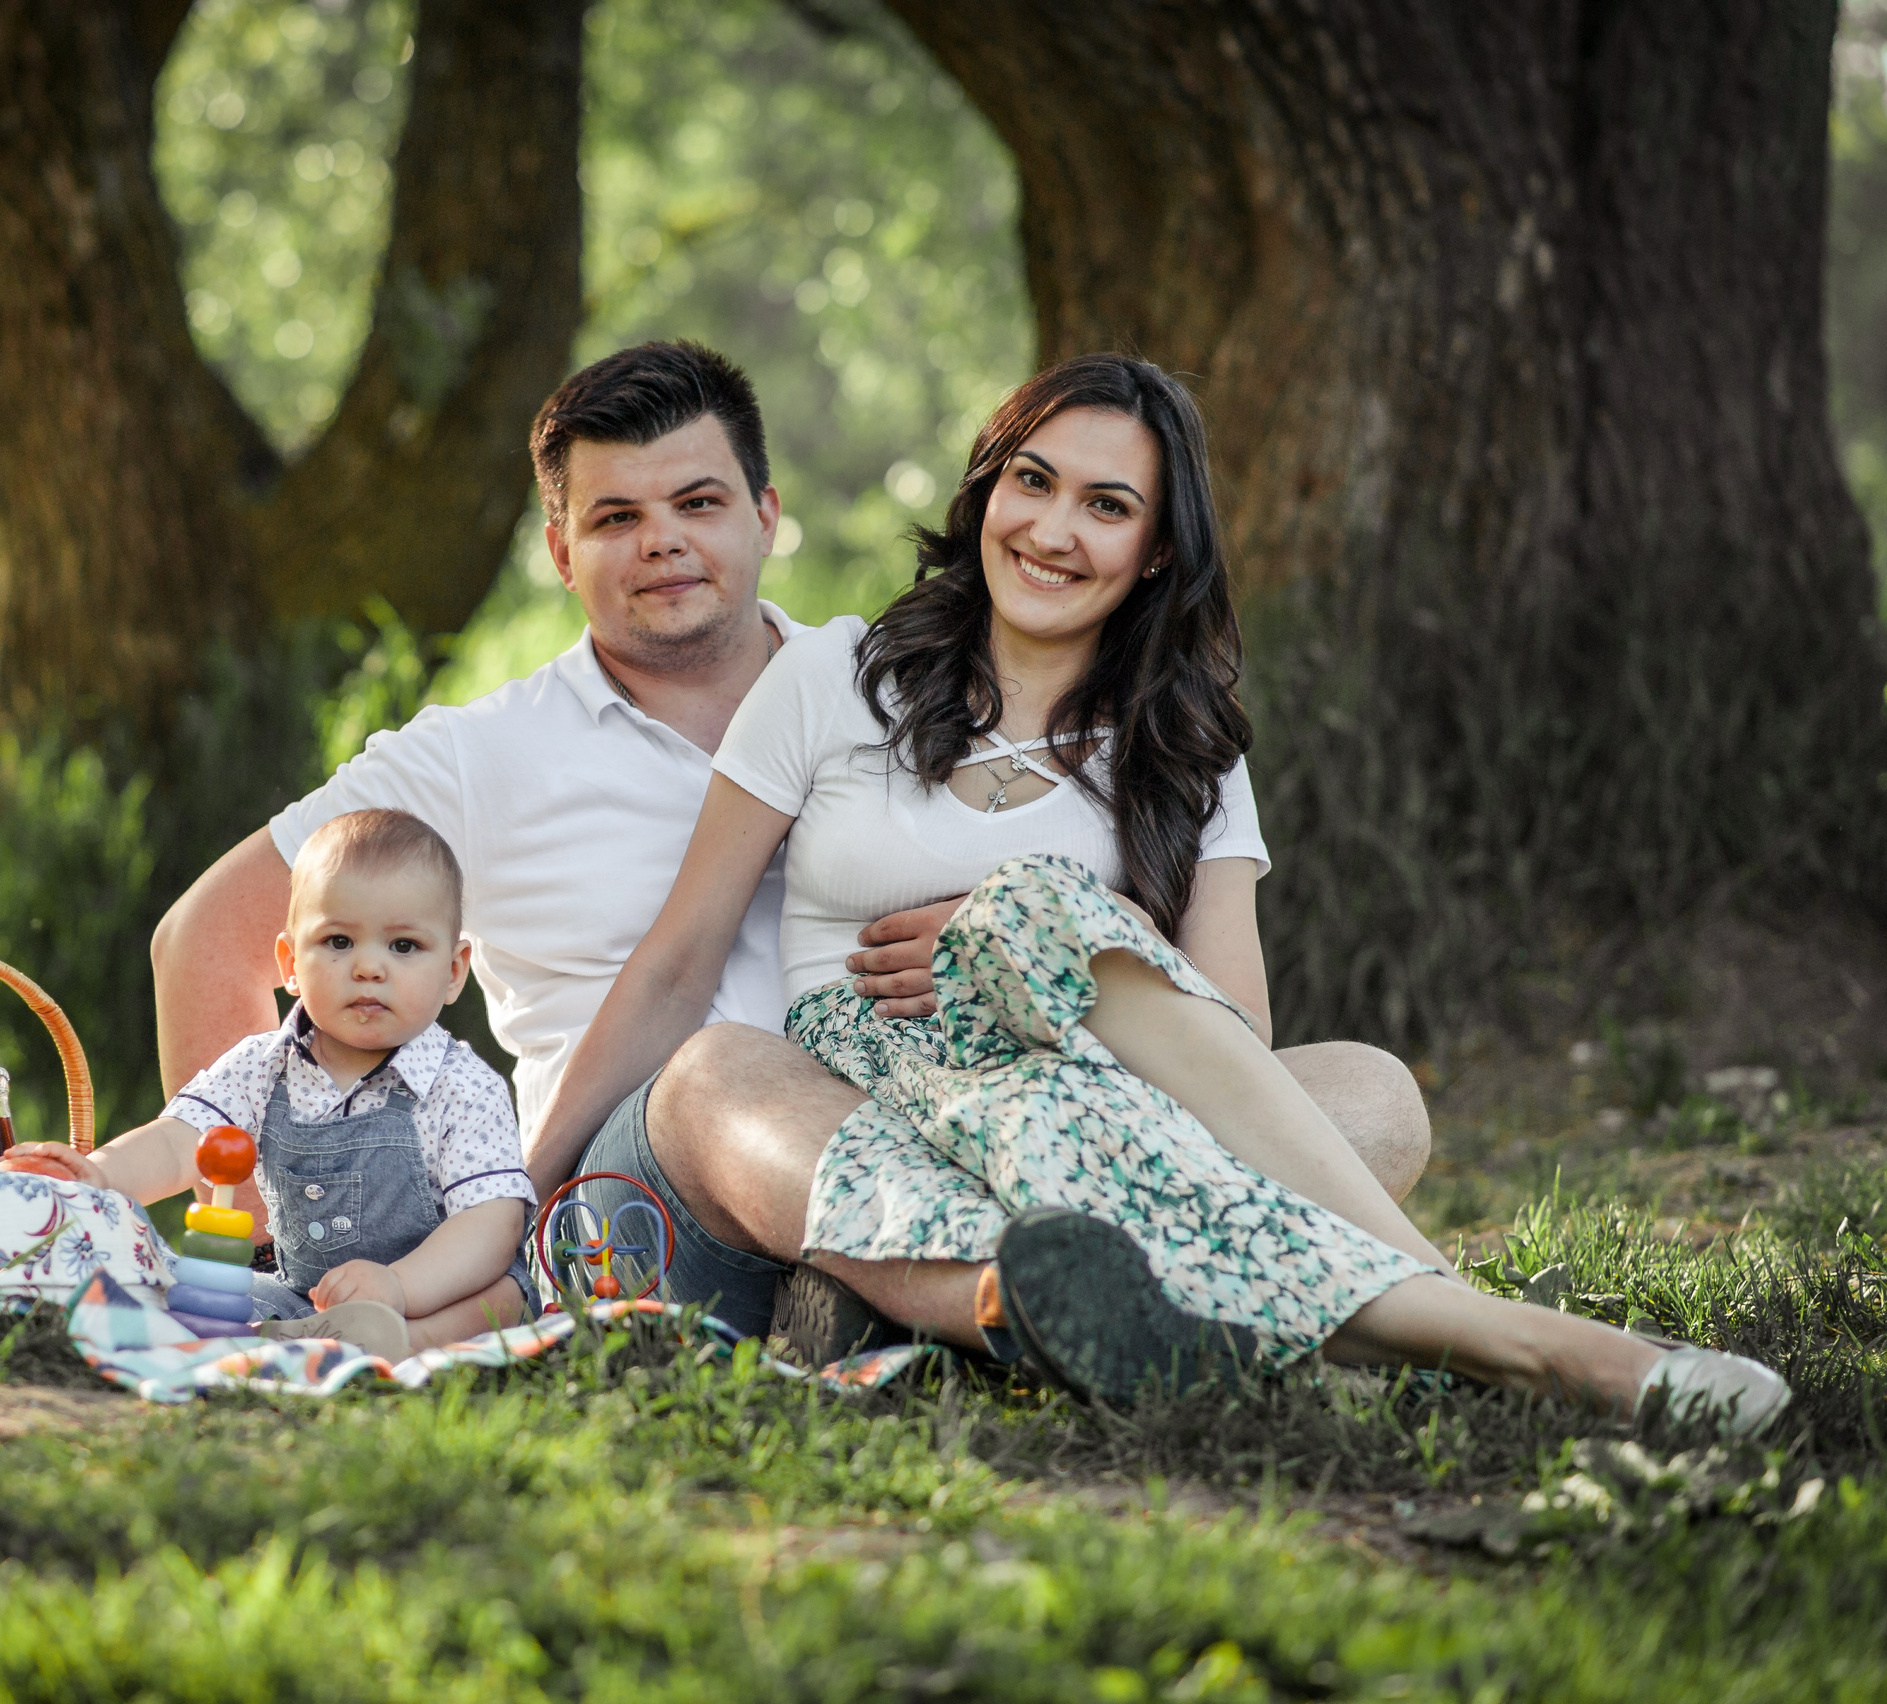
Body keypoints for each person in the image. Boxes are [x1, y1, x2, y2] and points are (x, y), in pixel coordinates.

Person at [534, 353, 1787, 1429]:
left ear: (1152, 550)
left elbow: (1231, 1032)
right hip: (870, 1093)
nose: (1051, 530)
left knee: (1368, 1088)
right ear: (986, 489)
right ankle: (1491, 1334)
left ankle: (1015, 1305)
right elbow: (679, 961)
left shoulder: (1186, 747)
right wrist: (510, 1201)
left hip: (1087, 1101)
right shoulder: (833, 677)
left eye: (1105, 504)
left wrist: (1099, 938)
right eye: (1031, 482)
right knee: (715, 1072)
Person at [134, 339, 1429, 1353]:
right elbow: (213, 937)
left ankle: (936, 1297)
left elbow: (1147, 961)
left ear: (766, 512)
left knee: (1367, 1094)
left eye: (698, 501)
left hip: (949, 1124)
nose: (664, 544)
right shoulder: (475, 756)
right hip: (656, 1185)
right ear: (558, 547)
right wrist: (255, 1237)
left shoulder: (902, 689)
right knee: (718, 1071)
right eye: (617, 517)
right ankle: (1047, 1291)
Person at [5, 809, 534, 1355]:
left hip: (437, 1294)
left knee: (499, 1297)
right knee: (208, 1292)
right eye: (337, 941)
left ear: (453, 970)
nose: (369, 968)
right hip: (305, 1296)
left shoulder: (463, 1087)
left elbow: (491, 1223)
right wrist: (101, 1174)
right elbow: (180, 1140)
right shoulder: (262, 1067)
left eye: (403, 946)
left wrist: (399, 1287)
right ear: (289, 962)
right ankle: (285, 1340)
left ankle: (403, 1342)